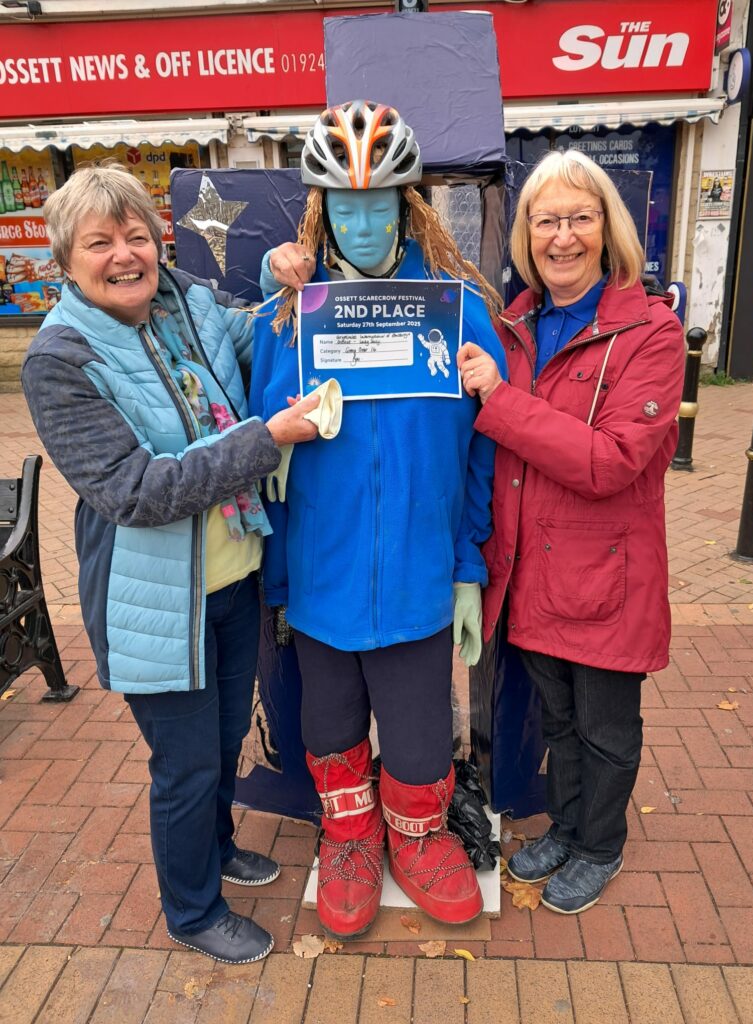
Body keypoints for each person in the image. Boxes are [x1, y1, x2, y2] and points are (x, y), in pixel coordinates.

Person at [21, 163, 320, 964]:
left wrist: (278, 280)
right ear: (66, 260)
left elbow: (253, 335)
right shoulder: (59, 360)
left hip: (232, 577)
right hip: (156, 601)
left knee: (223, 740)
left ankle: (216, 849)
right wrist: (264, 440)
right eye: (99, 243)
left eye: (136, 236)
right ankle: (192, 910)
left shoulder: (186, 298)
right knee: (184, 766)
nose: (124, 255)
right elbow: (136, 491)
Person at [251, 100, 507, 938]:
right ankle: (351, 837)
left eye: (380, 204)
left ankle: (419, 835)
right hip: (321, 578)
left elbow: (482, 453)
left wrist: (467, 567)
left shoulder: (458, 312)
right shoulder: (289, 318)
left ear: (408, 205)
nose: (363, 225)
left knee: (421, 730)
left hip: (419, 577)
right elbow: (264, 456)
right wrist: (280, 579)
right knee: (327, 725)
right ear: (322, 211)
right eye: (346, 207)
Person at [457, 148, 685, 914]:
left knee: (605, 729)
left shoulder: (651, 333)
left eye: (579, 218)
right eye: (546, 220)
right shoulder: (513, 325)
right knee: (557, 720)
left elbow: (610, 461)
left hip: (606, 579)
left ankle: (599, 845)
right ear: (527, 234)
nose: (562, 237)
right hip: (530, 572)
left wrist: (500, 401)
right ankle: (567, 825)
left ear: (607, 228)